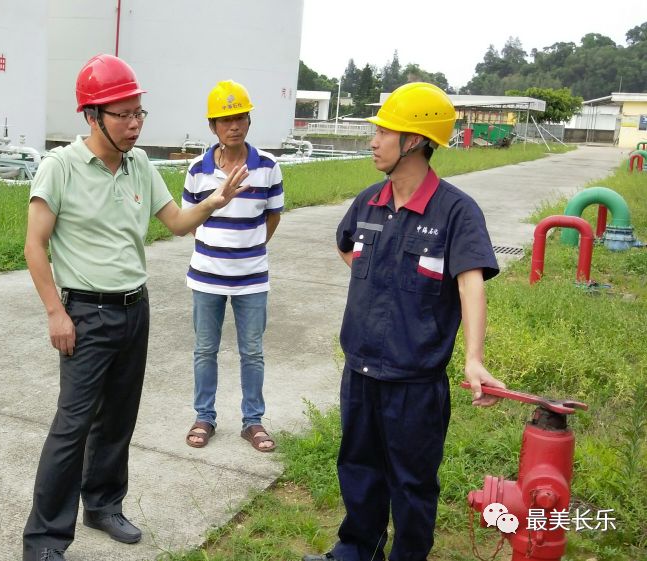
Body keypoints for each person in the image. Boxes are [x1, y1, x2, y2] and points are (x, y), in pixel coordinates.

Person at [21, 54, 249, 561]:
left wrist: (214, 201)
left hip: (133, 308)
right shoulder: (59, 167)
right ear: (91, 116)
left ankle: (103, 504)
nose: (135, 123)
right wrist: (55, 312)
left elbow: (174, 222)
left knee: (119, 418)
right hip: (83, 313)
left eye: (138, 112)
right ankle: (43, 540)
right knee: (71, 426)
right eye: (123, 114)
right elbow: (35, 245)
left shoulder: (140, 165)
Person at [303, 82, 506, 561]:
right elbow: (345, 243)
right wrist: (378, 280)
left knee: (412, 483)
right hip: (361, 370)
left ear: (413, 140)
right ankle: (357, 549)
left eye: (384, 131)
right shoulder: (369, 202)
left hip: (414, 382)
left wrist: (474, 359)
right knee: (357, 466)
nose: (373, 140)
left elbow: (470, 282)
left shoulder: (456, 211)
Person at [182, 80, 283, 452]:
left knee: (252, 351)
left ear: (249, 120)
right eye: (225, 120)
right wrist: (215, 248)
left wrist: (248, 248)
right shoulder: (197, 169)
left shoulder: (269, 167)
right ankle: (204, 416)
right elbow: (189, 216)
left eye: (240, 117)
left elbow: (273, 216)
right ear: (213, 126)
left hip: (252, 279)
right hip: (207, 277)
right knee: (205, 350)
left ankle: (252, 420)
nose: (234, 125)